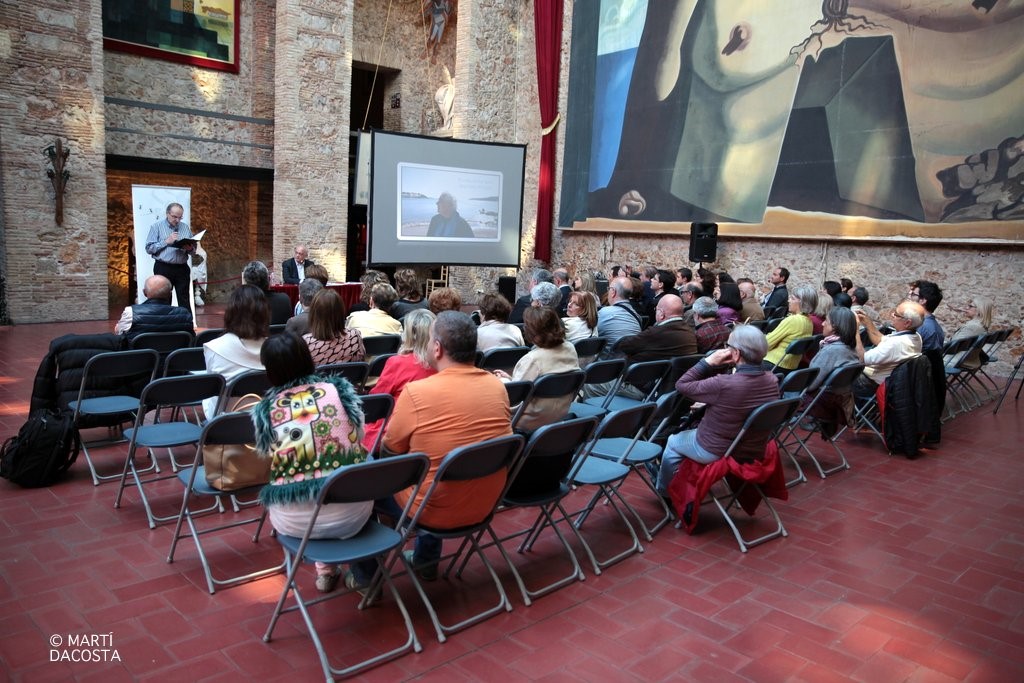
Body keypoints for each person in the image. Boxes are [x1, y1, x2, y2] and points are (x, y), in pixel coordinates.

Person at [350, 311, 511, 588]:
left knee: (358, 483)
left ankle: (365, 577)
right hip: (485, 504)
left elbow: (390, 455)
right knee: (437, 471)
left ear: (436, 348)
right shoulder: (497, 387)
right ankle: (426, 562)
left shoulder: (417, 393)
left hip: (433, 510)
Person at [253, 332, 371, 593]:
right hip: (353, 515)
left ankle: (326, 570)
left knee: (308, 475)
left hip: (293, 522)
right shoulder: (337, 390)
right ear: (308, 358)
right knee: (358, 464)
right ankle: (360, 573)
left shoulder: (266, 409)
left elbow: (271, 457)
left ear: (269, 371)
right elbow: (359, 434)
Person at [653, 325, 780, 495]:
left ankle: (665, 491)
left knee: (673, 441)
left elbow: (682, 385)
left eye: (728, 346)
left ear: (736, 353)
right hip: (752, 447)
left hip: (715, 448)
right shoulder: (772, 379)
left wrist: (706, 363)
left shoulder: (724, 384)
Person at [586, 294, 698, 400]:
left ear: (661, 313)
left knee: (588, 383)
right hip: (668, 389)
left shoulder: (657, 332)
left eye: (656, 310)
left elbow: (625, 345)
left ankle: (596, 418)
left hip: (643, 388)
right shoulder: (690, 333)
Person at [361, 309, 437, 451]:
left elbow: (377, 398)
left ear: (410, 335)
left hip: (396, 429)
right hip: (429, 427)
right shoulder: (441, 363)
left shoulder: (397, 362)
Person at [494, 306, 579, 432]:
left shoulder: (533, 359)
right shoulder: (570, 348)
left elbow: (515, 404)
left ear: (530, 331)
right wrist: (511, 380)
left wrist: (500, 384)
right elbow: (548, 384)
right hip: (557, 416)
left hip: (528, 423)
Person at [202, 285, 269, 417]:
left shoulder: (214, 348)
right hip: (267, 416)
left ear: (231, 312)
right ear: (265, 314)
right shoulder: (275, 349)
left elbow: (214, 388)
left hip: (226, 418)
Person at [853, 301, 926, 398]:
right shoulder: (915, 337)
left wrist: (855, 329)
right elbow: (881, 340)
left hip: (869, 385)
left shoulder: (897, 344)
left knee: (834, 371)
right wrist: (867, 322)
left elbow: (861, 358)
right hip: (883, 382)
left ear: (907, 323)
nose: (892, 315)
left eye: (896, 314)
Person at [145, 202, 194, 314]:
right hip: (163, 267)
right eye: (174, 217)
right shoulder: (156, 227)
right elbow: (149, 248)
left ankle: (186, 325)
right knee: (164, 299)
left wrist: (190, 248)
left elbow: (193, 251)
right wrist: (166, 242)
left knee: (184, 299)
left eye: (180, 217)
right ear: (167, 213)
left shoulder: (185, 227)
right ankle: (166, 325)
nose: (177, 220)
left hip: (182, 268)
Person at [113, 274, 194, 339]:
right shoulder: (184, 314)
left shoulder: (131, 312)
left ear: (145, 293)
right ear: (170, 294)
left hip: (140, 357)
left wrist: (117, 329)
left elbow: (120, 335)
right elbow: (191, 338)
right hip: (175, 357)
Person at [303, 288, 365, 365]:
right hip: (351, 377)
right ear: (341, 312)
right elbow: (361, 364)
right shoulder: (355, 336)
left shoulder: (305, 343)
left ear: (314, 314)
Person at [764, 285, 816, 371]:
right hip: (790, 366)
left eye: (792, 298)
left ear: (801, 302)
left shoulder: (792, 320)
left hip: (773, 364)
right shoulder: (809, 322)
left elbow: (767, 344)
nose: (788, 301)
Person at [595, 276, 642, 359]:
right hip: (627, 365)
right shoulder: (637, 316)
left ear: (613, 292)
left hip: (605, 365)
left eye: (609, 289)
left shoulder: (603, 313)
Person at [242, 260, 291, 325]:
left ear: (247, 282)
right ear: (269, 279)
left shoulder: (242, 303)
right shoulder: (284, 299)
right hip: (278, 335)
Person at [950, 296, 993, 369]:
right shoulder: (981, 325)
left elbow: (952, 346)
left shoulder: (972, 327)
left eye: (970, 306)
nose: (966, 308)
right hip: (970, 359)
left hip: (955, 359)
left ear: (979, 310)